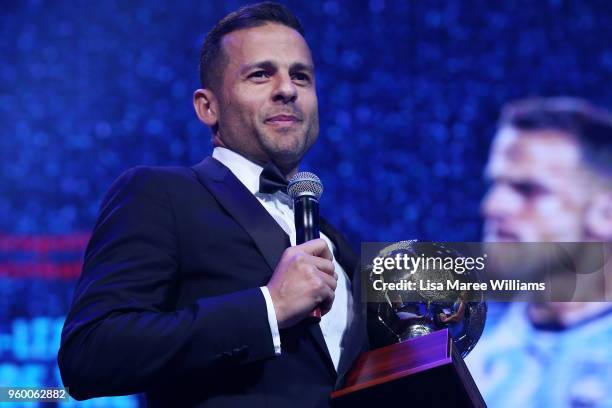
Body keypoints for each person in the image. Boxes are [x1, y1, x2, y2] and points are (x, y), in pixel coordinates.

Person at [58, 3, 366, 407]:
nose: (288, 89)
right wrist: (268, 307)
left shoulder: (336, 239)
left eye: (301, 76)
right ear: (208, 106)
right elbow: (88, 353)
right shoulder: (160, 194)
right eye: (260, 74)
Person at [466, 97, 612, 407]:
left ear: (606, 213)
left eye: (528, 190)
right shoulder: (468, 349)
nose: (493, 206)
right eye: (496, 185)